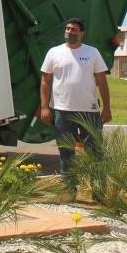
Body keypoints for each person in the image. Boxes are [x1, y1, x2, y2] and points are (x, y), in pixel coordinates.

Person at [39, 18, 112, 197]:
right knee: (66, 152)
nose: (70, 31)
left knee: (95, 152)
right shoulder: (54, 52)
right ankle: (70, 190)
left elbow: (102, 81)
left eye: (74, 29)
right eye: (67, 28)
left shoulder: (92, 52)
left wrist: (107, 108)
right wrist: (44, 107)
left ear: (82, 33)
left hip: (90, 111)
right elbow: (45, 81)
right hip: (62, 111)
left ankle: (99, 192)